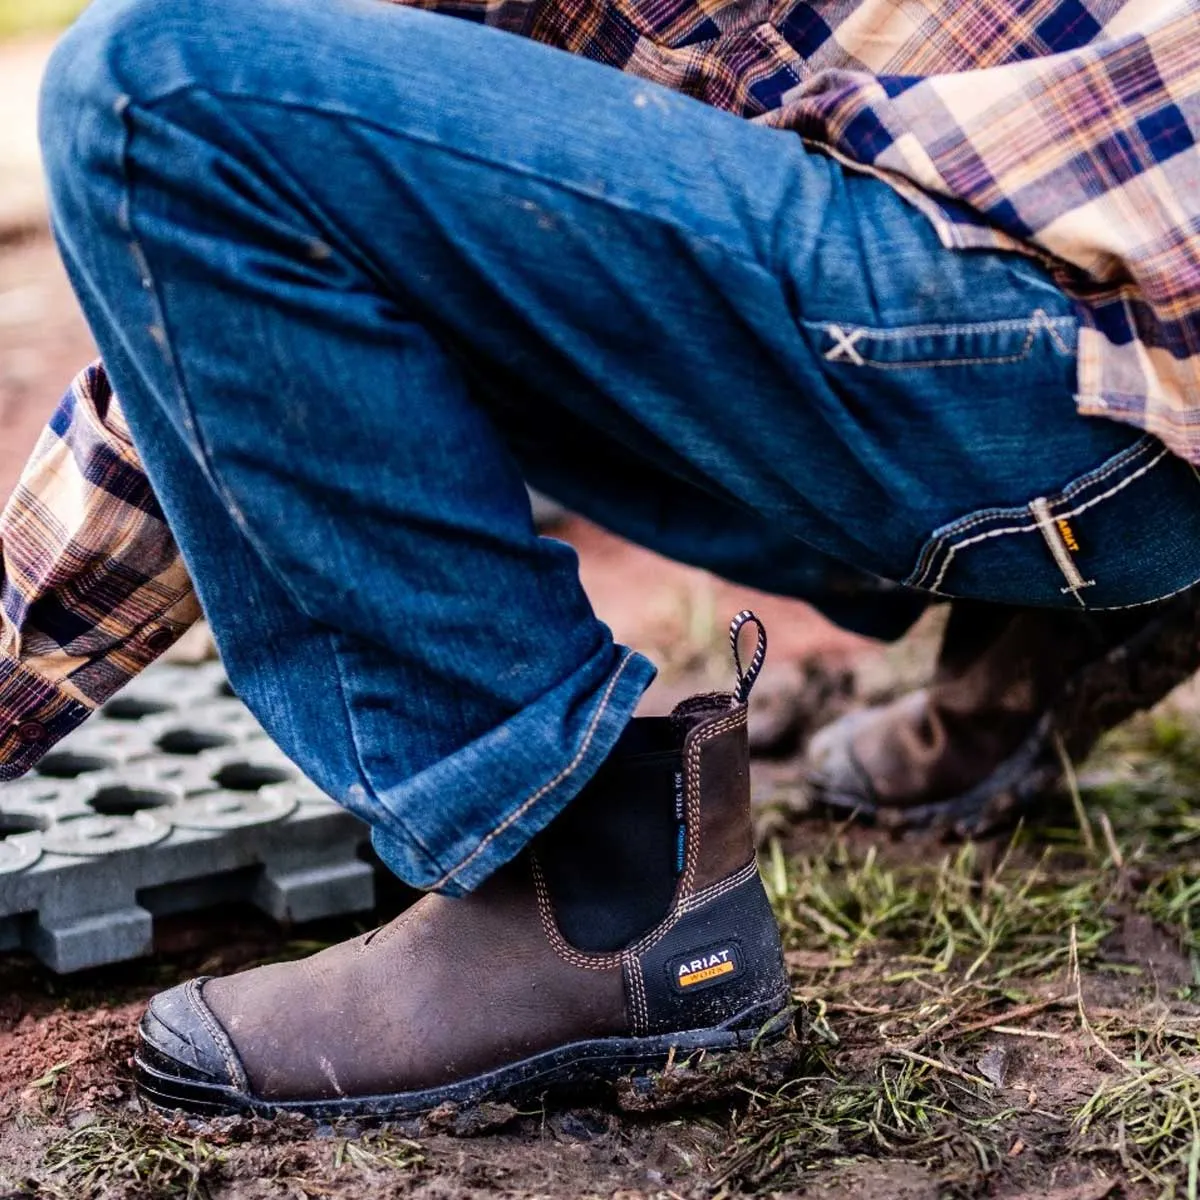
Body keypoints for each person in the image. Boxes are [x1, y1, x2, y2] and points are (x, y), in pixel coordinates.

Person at [10, 0, 1200, 1119]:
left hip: (1078, 376)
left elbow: (225, 225)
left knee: (145, 97)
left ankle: (584, 892)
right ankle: (1074, 613)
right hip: (1154, 319)